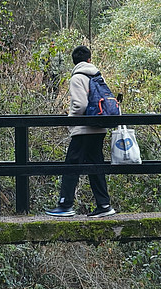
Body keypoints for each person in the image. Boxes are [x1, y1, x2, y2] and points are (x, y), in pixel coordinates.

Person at [45, 45, 116, 218]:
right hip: (99, 128)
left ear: (74, 62)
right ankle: (104, 204)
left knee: (71, 166)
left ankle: (65, 205)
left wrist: (72, 119)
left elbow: (80, 104)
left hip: (83, 129)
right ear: (89, 60)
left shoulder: (77, 77)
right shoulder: (98, 75)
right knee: (95, 166)